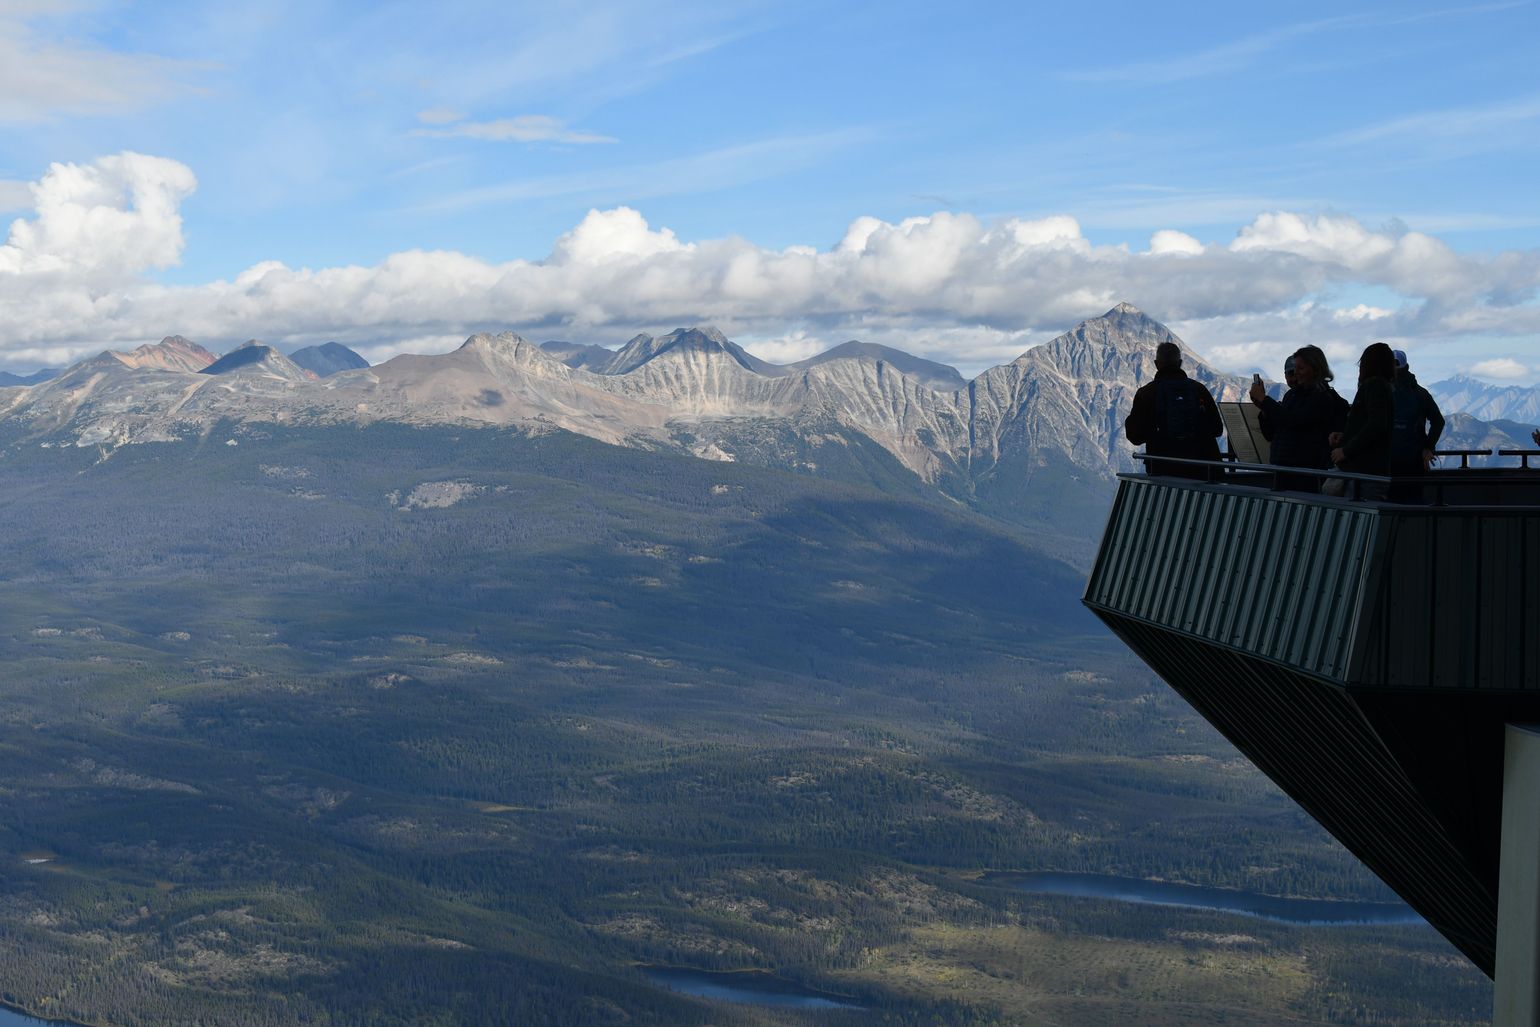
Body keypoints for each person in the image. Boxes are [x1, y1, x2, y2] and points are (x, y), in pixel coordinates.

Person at [1249, 346, 1349, 492]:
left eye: (1300, 368)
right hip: (1283, 469)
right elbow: (1272, 433)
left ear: (1316, 369)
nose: (1296, 373)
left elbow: (1293, 422)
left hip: (1308, 473)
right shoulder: (1291, 395)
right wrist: (1264, 410)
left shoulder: (1322, 398)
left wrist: (1264, 400)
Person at [1125, 341, 1224, 479]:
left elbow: (1135, 436)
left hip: (1164, 473)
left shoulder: (1147, 393)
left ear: (1156, 364)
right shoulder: (1199, 389)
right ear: (1180, 363)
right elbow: (1217, 429)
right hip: (1203, 473)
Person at [1329, 342, 1397, 499]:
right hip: (1372, 470)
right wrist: (1345, 436)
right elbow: (1372, 424)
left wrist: (1346, 450)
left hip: (1364, 472)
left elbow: (1376, 425)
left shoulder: (1374, 385)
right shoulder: (1385, 386)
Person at [1388, 349, 1446, 502]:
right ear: (1407, 366)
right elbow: (1438, 421)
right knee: (1413, 500)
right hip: (1414, 458)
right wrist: (1428, 447)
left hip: (1387, 459)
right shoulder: (1421, 393)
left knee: (1386, 502)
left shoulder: (1383, 392)